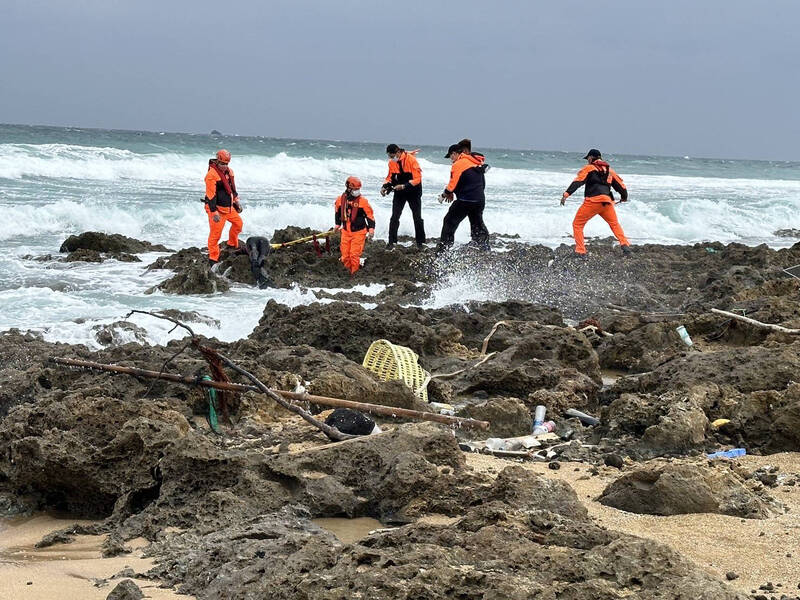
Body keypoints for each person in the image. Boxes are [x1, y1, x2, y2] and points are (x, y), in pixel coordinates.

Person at [560, 149, 631, 257]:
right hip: (607, 203)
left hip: (592, 202)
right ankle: (625, 245)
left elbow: (578, 181)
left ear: (591, 157)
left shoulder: (589, 168)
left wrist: (566, 194)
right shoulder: (610, 171)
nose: (587, 160)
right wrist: (624, 197)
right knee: (614, 224)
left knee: (577, 224)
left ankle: (580, 251)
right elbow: (621, 186)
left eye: (588, 158)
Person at [438, 140, 490, 251]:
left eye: (451, 156)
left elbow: (452, 184)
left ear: (455, 153)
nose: (451, 160)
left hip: (466, 200)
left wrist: (444, 195)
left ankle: (443, 251)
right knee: (477, 223)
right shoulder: (474, 162)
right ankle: (484, 248)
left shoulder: (458, 164)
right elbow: (479, 182)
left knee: (449, 221)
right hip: (479, 200)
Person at [381, 144, 425, 248]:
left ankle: (421, 242)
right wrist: (384, 186)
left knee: (417, 217)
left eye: (392, 156)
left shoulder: (411, 160)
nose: (391, 159)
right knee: (395, 216)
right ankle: (392, 242)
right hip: (399, 191)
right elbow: (390, 177)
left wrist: (404, 186)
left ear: (398, 153)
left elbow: (417, 179)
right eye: (389, 157)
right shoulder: (392, 163)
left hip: (413, 190)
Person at [204, 149, 243, 265]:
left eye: (226, 164)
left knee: (238, 224)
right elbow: (211, 195)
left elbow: (233, 190)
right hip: (217, 210)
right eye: (222, 164)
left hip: (229, 208)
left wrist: (236, 202)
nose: (224, 166)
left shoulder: (229, 172)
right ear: (217, 162)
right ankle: (213, 259)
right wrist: (214, 212)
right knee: (215, 235)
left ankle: (231, 244)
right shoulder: (211, 175)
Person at [335, 176, 375, 275]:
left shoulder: (363, 202)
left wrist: (371, 229)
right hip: (345, 231)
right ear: (348, 188)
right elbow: (337, 212)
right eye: (355, 189)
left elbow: (370, 216)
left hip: (359, 232)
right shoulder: (340, 200)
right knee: (345, 256)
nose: (357, 191)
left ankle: (355, 274)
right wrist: (337, 224)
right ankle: (347, 273)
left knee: (354, 255)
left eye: (358, 189)